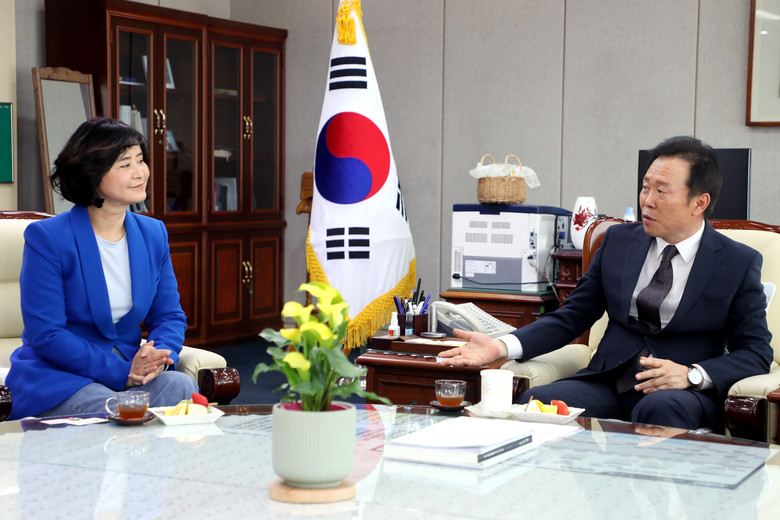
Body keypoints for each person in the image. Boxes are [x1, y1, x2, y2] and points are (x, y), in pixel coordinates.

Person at [438, 136, 773, 431]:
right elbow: (572, 316)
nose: (647, 200)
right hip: (609, 380)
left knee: (658, 408)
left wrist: (692, 375)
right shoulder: (618, 242)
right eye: (645, 187)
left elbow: (755, 352)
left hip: (677, 392)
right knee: (538, 402)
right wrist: (500, 346)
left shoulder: (736, 262)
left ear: (699, 202)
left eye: (661, 191)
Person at [5, 117, 198, 419]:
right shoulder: (48, 238)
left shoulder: (153, 233)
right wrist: (121, 373)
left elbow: (169, 315)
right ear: (92, 173)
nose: (140, 172)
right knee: (112, 408)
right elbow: (48, 335)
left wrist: (158, 357)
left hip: (129, 371)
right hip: (61, 377)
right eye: (125, 164)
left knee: (180, 385)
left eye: (140, 160)